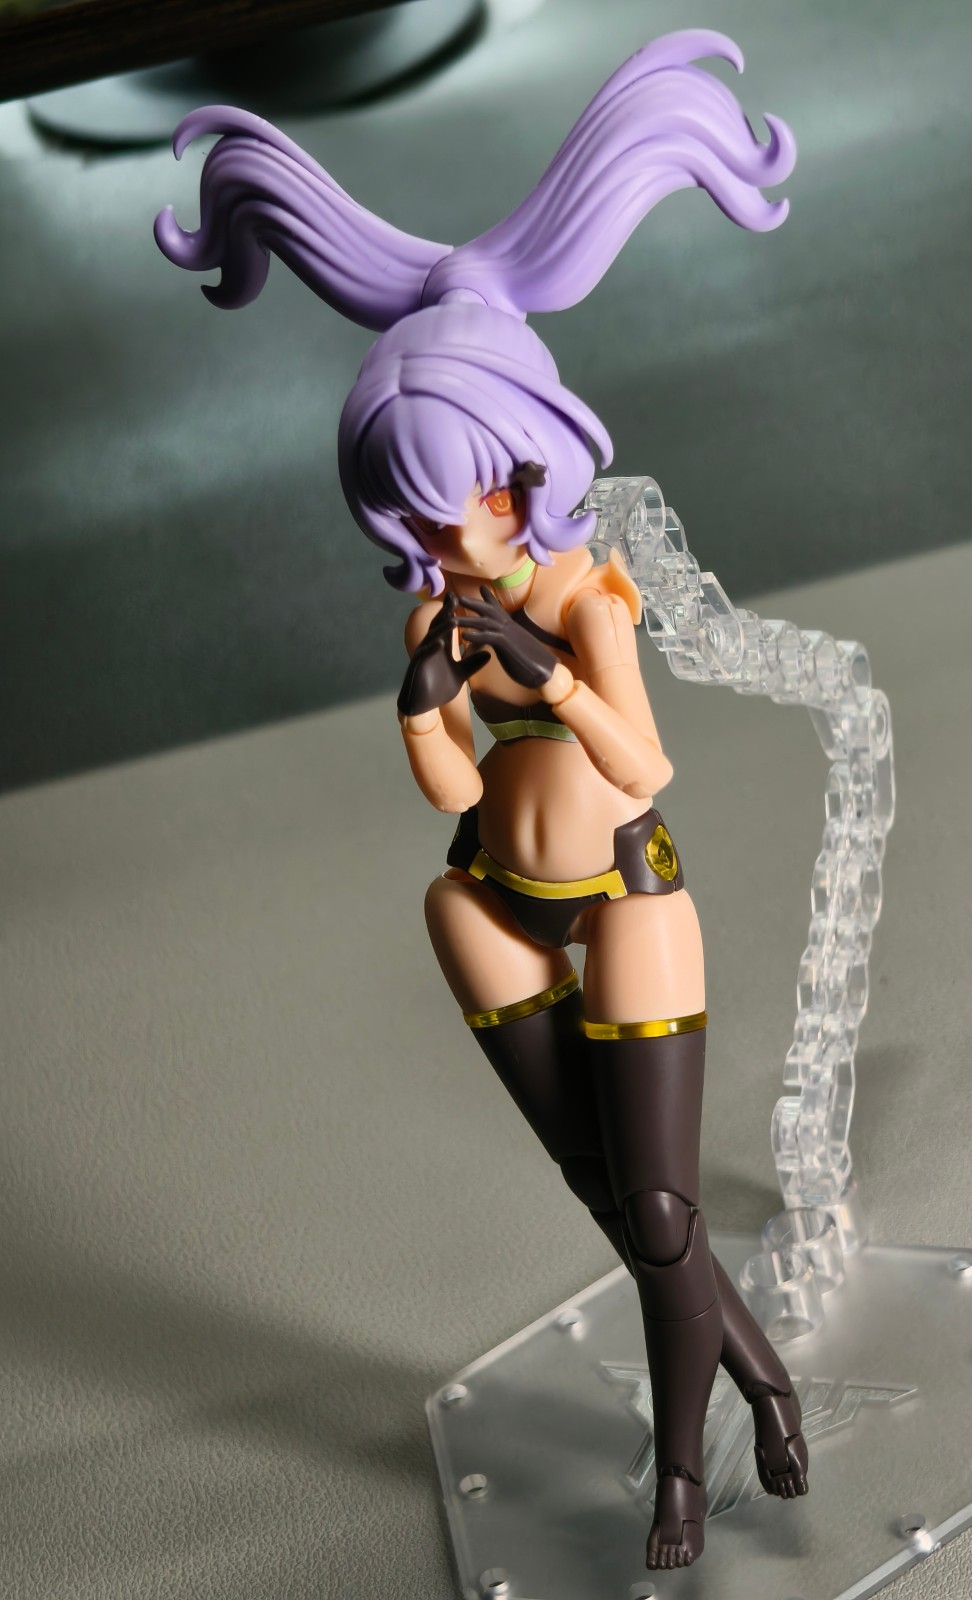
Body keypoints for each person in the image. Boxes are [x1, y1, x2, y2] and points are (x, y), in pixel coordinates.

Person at [156, 29, 807, 1570]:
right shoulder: (433, 611)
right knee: (620, 1203)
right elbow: (449, 782)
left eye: (476, 502)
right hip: (492, 900)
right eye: (424, 520)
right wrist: (425, 699)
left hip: (627, 891)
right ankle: (766, 1380)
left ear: (528, 460)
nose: (455, 541)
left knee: (660, 1218)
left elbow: (644, 766)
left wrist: (550, 672)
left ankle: (686, 1473)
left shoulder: (584, 597)